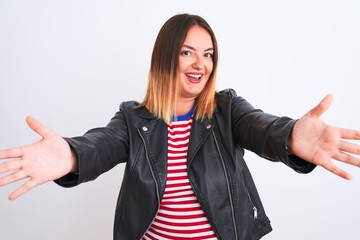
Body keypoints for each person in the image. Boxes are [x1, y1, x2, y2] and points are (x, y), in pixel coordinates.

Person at [0, 13, 359, 240]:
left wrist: (292, 135)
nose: (200, 64)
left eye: (208, 54)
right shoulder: (133, 118)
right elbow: (102, 143)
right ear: (166, 57)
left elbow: (261, 127)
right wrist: (70, 153)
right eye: (187, 52)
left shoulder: (226, 108)